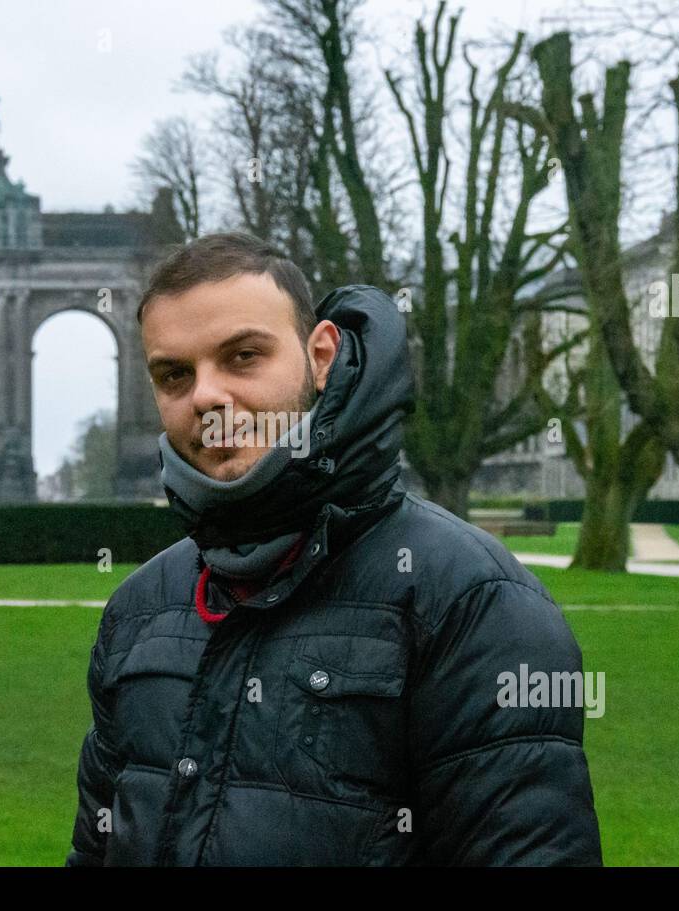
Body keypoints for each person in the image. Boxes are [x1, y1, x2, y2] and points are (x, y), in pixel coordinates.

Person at [66, 232, 602, 866]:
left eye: (242, 356)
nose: (205, 396)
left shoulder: (474, 604)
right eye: (175, 374)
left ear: (320, 356)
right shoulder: (138, 610)